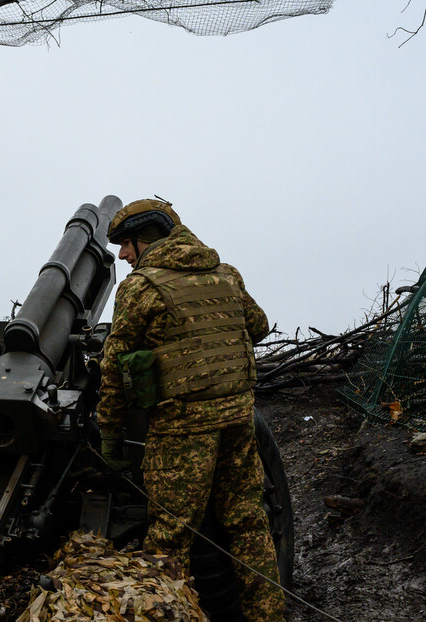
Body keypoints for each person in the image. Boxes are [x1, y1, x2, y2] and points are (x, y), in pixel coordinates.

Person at [97, 198, 285, 621]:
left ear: (146, 240)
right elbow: (257, 325)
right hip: (237, 420)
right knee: (249, 524)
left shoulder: (141, 286)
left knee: (168, 542)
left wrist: (110, 435)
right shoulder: (226, 274)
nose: (123, 255)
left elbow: (112, 366)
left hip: (182, 430)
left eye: (126, 245)